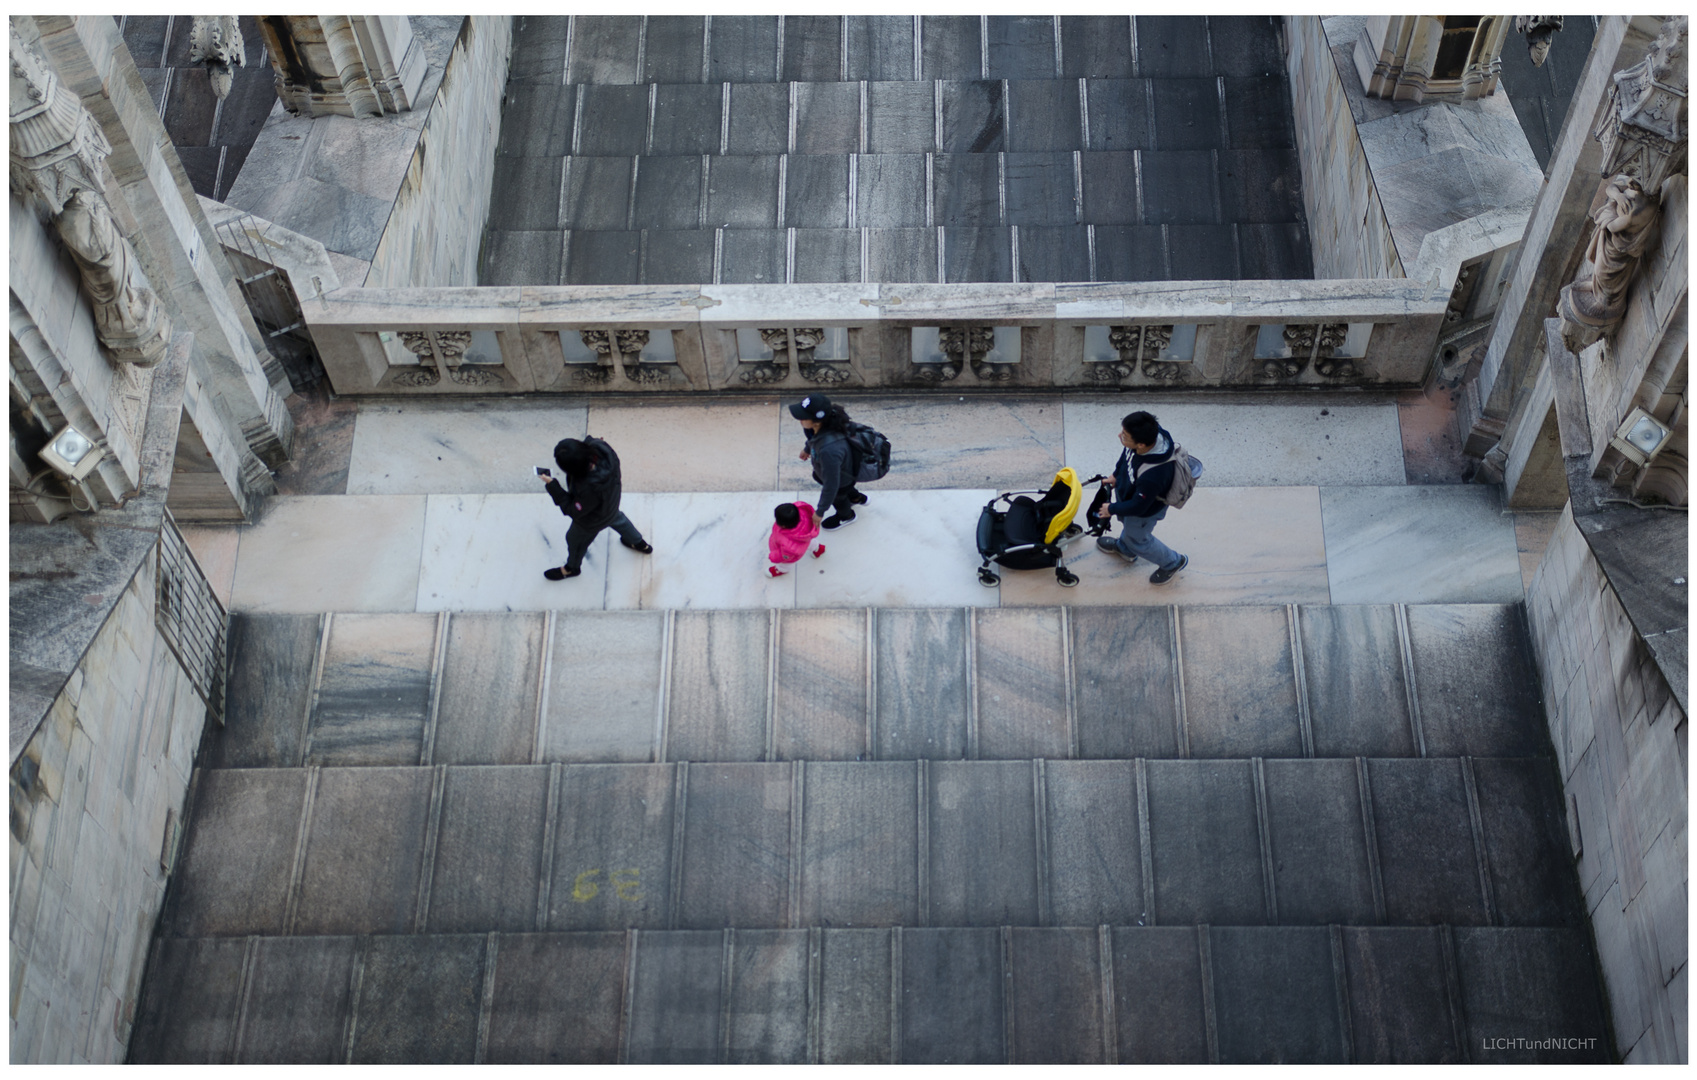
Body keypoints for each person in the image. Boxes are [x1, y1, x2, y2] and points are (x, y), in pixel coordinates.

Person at [1095, 411, 1189, 585]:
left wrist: (1111, 509)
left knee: (1138, 538)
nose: (1119, 436)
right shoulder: (1149, 437)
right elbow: (1126, 455)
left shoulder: (1154, 475)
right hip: (1130, 497)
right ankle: (1126, 549)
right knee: (1128, 527)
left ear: (1141, 444)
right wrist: (1116, 475)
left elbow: (1139, 507)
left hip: (1144, 512)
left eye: (1125, 435)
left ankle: (1173, 562)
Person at [539, 436, 651, 580]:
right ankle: (640, 544)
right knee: (619, 520)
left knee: (574, 541)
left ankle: (571, 568)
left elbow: (572, 510)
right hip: (610, 504)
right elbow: (593, 442)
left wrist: (552, 485)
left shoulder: (588, 489)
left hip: (592, 521)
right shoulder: (605, 450)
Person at [790, 394, 867, 530]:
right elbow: (813, 438)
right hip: (845, 473)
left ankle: (847, 516)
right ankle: (856, 498)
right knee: (846, 489)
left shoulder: (829, 450)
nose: (799, 419)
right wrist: (807, 448)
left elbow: (832, 485)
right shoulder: (822, 425)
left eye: (803, 416)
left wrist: (820, 512)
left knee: (839, 497)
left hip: (840, 481)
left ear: (817, 421)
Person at [767, 501, 826, 577]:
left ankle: (781, 570)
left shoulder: (789, 547)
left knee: (785, 564)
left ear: (783, 525)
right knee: (808, 543)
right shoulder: (801, 513)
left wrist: (774, 556)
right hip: (803, 540)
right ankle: (818, 549)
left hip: (789, 553)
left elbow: (784, 556)